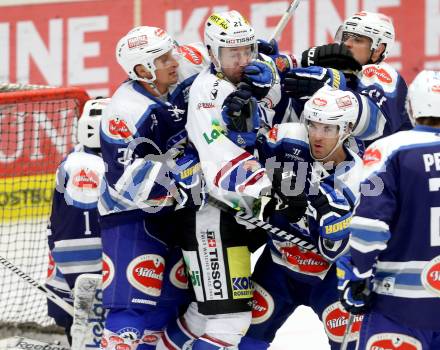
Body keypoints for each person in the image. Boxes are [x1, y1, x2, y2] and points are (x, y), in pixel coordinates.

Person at [156, 10, 307, 350]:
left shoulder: (254, 75)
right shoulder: (208, 94)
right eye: (231, 53)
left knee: (200, 314)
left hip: (239, 217)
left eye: (248, 50)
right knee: (230, 321)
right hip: (213, 215)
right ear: (212, 54)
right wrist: (274, 197)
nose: (242, 60)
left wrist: (273, 78)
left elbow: (280, 126)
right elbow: (223, 166)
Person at [98, 26, 209, 350]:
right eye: (162, 59)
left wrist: (262, 54)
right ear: (142, 70)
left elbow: (225, 57)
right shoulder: (124, 112)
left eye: (170, 52)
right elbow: (124, 182)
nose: (173, 62)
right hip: (130, 217)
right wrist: (181, 173)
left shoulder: (186, 63)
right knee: (129, 314)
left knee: (167, 308)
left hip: (177, 211)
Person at [238, 86, 364, 350]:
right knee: (244, 339)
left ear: (347, 129)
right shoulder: (289, 138)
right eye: (313, 125)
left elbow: (337, 250)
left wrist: (318, 209)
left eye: (328, 129)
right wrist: (276, 182)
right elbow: (243, 164)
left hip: (328, 277)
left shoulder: (357, 180)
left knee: (352, 344)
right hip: (278, 266)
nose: (316, 136)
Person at [336, 70, 440, 348]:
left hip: (400, 303)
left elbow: (370, 226)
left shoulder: (389, 150)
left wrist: (358, 274)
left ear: (411, 107)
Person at [284, 11, 412, 145]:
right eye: (345, 37)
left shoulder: (384, 74)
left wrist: (333, 88)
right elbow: (295, 119)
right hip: (334, 160)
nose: (347, 44)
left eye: (358, 40)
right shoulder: (334, 73)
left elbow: (376, 124)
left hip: (382, 163)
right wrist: (282, 66)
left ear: (378, 50)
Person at [46, 97, 109, 344]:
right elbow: (80, 238)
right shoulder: (86, 166)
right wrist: (87, 284)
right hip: (89, 274)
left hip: (73, 270)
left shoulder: (80, 155)